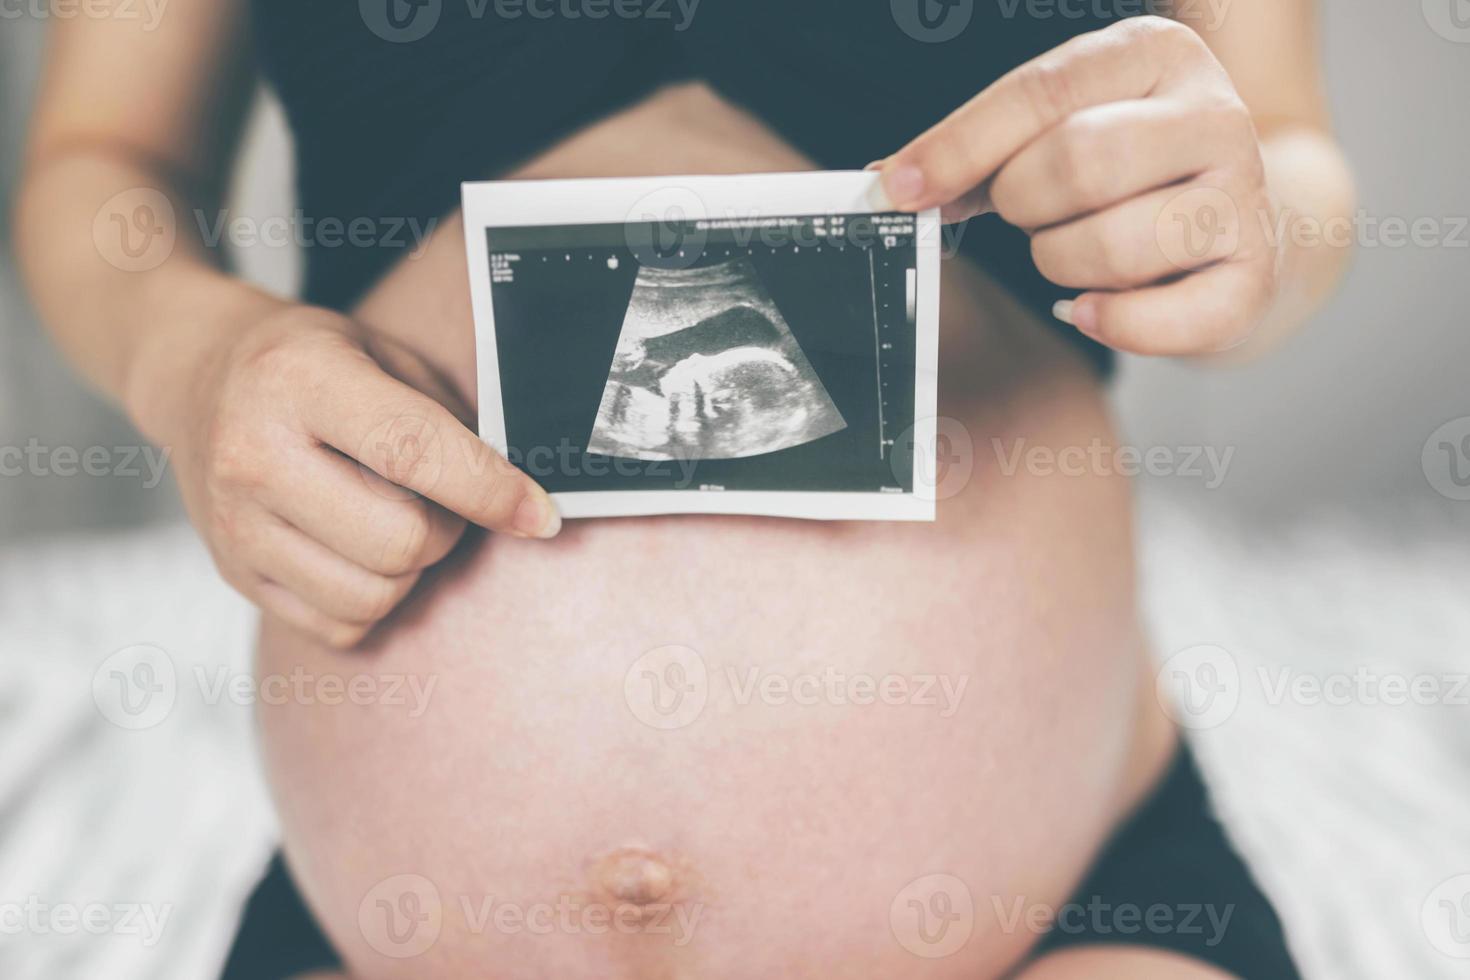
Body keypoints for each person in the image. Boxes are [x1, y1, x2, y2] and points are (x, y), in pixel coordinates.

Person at [15, 2, 1353, 978]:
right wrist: (187, 354)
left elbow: (1287, 149)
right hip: (384, 926)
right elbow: (104, 159)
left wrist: (1247, 225)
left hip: (1070, 917)